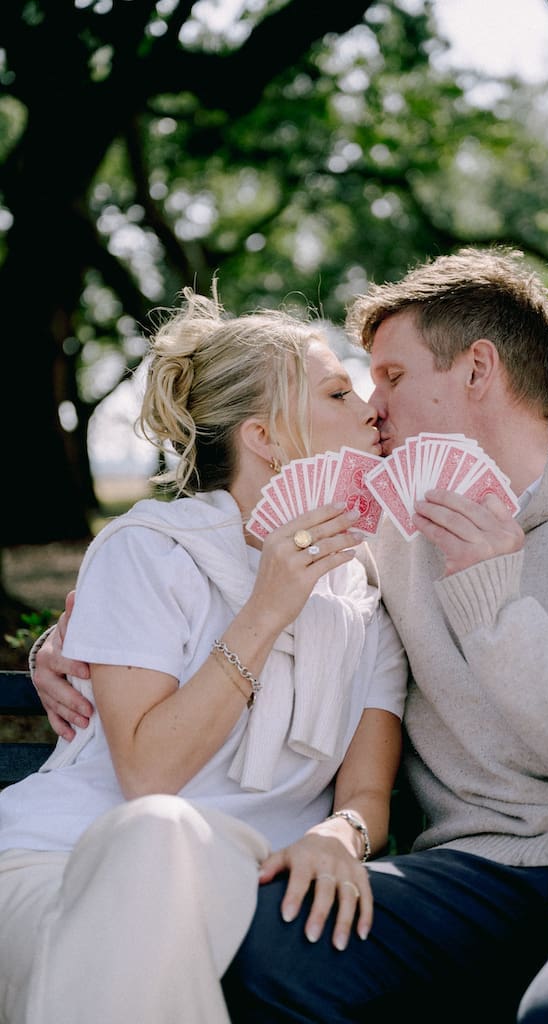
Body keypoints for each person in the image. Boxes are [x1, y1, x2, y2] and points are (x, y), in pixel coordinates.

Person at [30, 246, 548, 1023]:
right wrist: (62, 648)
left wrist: (493, 607)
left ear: (477, 370)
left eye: (393, 377)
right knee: (258, 945)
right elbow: (243, 562)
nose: (374, 405)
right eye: (359, 384)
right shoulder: (386, 537)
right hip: (467, 874)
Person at [0, 287, 408, 1024]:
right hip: (64, 864)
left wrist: (337, 834)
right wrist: (266, 609)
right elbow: (150, 777)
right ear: (267, 438)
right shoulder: (150, 550)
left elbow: (366, 797)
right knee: (157, 834)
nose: (370, 407)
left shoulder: (365, 591)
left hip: (243, 873)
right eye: (339, 392)